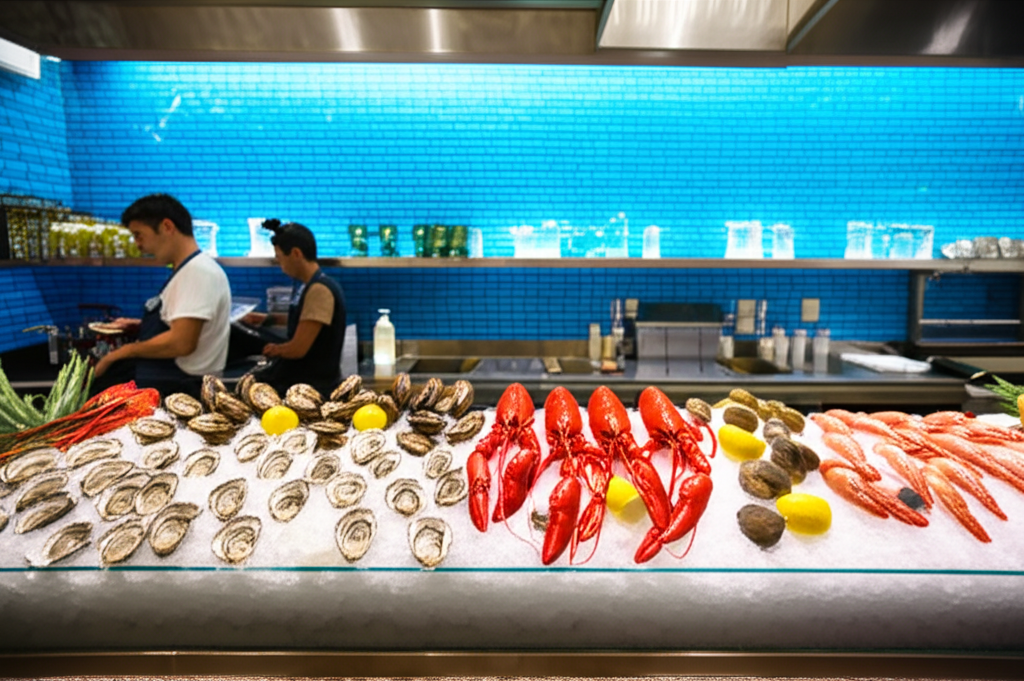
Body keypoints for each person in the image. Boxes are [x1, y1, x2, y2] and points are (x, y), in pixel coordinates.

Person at [92, 193, 231, 398]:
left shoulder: (198, 272)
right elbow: (181, 324)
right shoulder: (188, 269)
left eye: (139, 235)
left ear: (167, 227)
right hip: (169, 386)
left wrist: (120, 354)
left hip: (180, 391)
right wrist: (138, 325)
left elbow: (181, 342)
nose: (138, 245)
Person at [252, 219, 346, 395]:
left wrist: (274, 349)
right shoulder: (307, 285)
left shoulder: (320, 290)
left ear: (296, 253)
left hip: (315, 390)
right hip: (307, 386)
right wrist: (266, 319)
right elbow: (307, 320)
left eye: (280, 259)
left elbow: (297, 349)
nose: (281, 266)